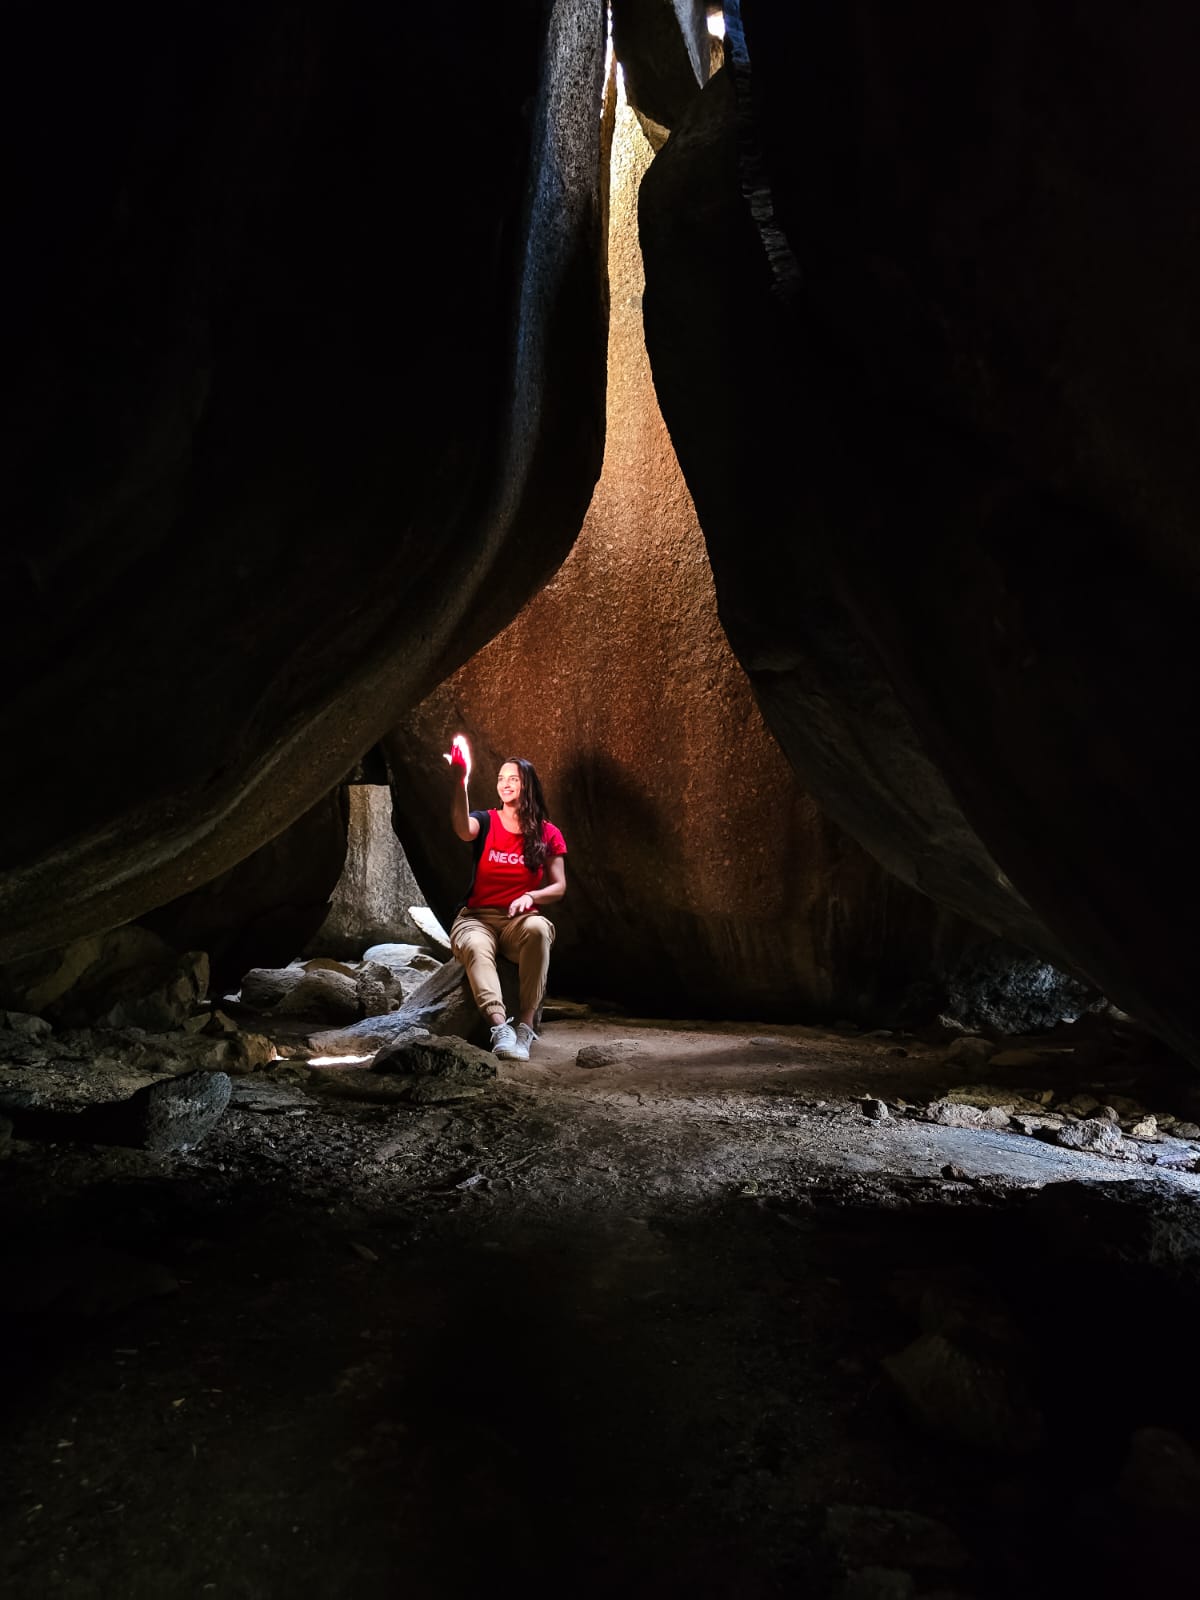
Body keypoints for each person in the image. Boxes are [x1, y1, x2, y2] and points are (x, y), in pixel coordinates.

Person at [443, 735, 567, 1061]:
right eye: (501, 779)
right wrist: (460, 781)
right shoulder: (486, 821)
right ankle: (501, 1027)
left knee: (540, 929)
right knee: (475, 946)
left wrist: (532, 895)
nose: (506, 784)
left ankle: (525, 1027)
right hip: (476, 918)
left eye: (514, 779)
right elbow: (460, 828)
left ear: (528, 786)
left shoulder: (547, 832)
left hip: (518, 922)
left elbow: (559, 886)